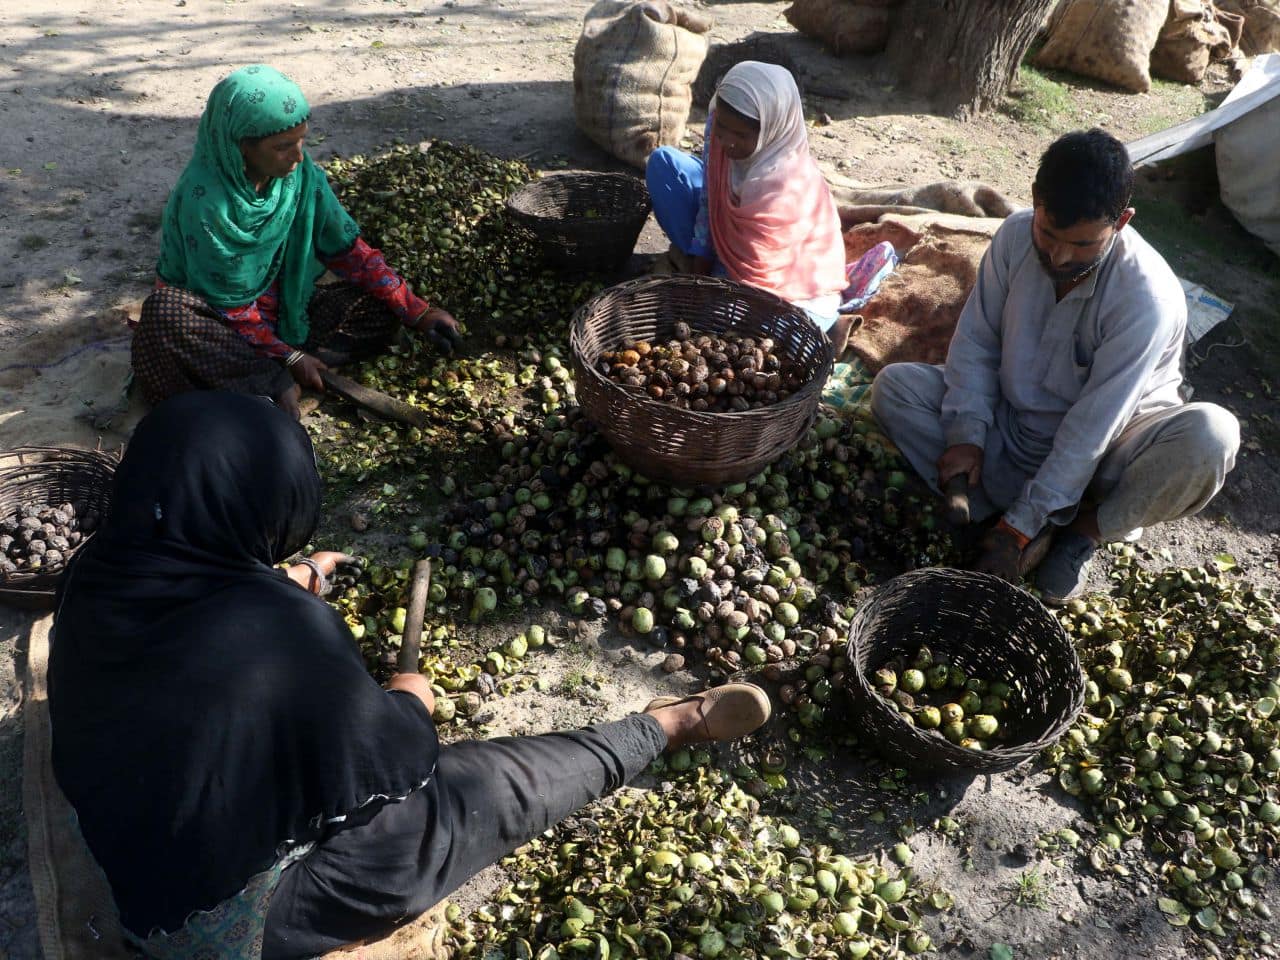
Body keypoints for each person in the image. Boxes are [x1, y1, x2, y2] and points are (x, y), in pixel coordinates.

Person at [48, 391, 771, 960]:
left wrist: (288, 580)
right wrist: (409, 705)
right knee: (467, 799)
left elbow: (194, 634)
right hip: (225, 928)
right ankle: (664, 726)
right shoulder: (282, 633)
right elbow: (391, 764)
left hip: (131, 861)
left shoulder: (91, 576)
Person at [870, 129, 1239, 604]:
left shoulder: (1146, 299)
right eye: (1047, 234)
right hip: (1015, 426)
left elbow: (1092, 429)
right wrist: (966, 437)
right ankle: (1000, 516)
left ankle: (1079, 532)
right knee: (896, 389)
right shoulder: (1012, 239)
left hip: (1108, 451)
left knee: (1210, 436)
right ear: (1035, 202)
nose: (1059, 256)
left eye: (1083, 245)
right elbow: (977, 343)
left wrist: (1018, 529)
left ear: (1121, 221)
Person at [131, 65, 460, 419]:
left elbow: (350, 252)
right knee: (163, 314)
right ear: (241, 145)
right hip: (215, 328)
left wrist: (417, 311)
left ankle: (283, 375)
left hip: (284, 314)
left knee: (377, 303)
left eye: (301, 140)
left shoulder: (300, 177)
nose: (298, 155)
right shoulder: (205, 201)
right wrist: (287, 356)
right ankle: (270, 379)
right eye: (282, 147)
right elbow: (230, 309)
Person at [645, 61, 850, 342]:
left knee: (761, 329)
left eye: (741, 135)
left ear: (770, 132)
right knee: (664, 165)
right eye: (721, 127)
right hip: (728, 238)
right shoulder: (717, 129)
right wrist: (700, 259)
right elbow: (709, 197)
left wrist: (709, 295)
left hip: (788, 281)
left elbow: (760, 280)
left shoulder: (781, 183)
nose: (726, 142)